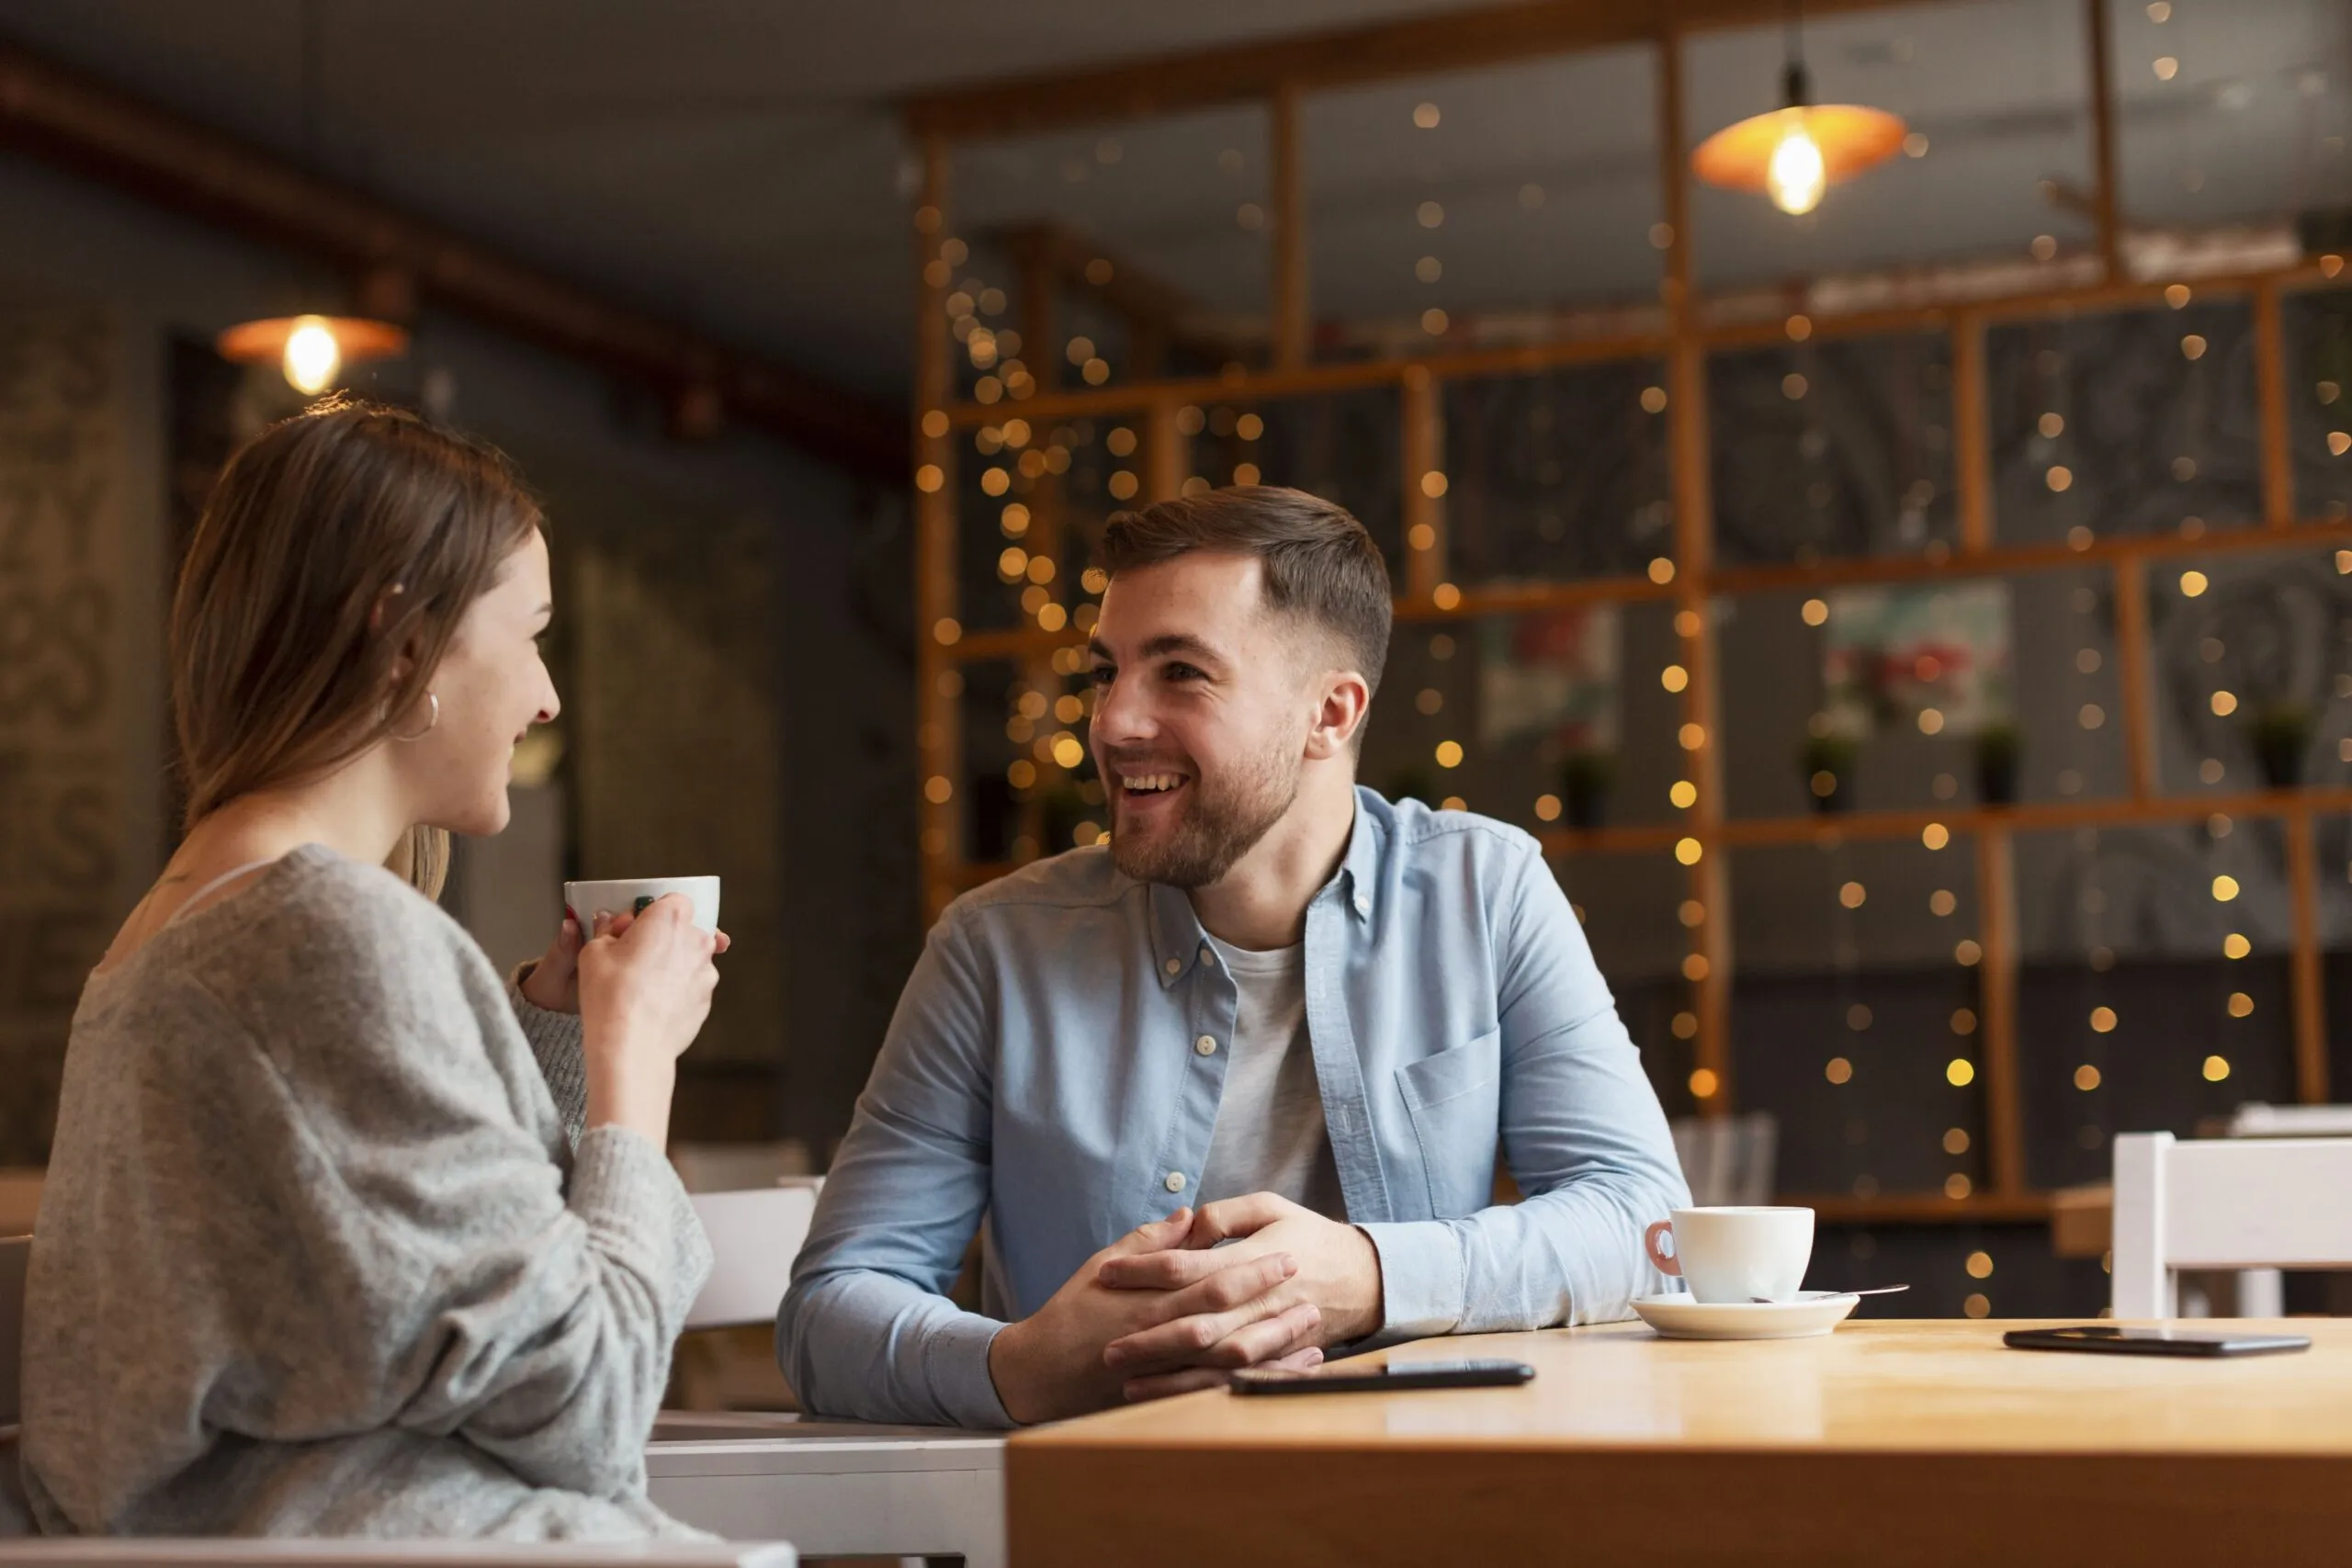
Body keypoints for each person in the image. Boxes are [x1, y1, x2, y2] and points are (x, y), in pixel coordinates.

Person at [779, 484, 1689, 1427]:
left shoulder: (1485, 893)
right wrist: (1016, 1367)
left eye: (1180, 672)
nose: (1113, 721)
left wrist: (1369, 1274)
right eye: (1106, 673)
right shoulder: (994, 949)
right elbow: (830, 1309)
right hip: (1102, 1515)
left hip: (1420, 1502)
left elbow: (1645, 1226)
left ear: (1329, 714)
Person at [21, 399, 727, 1539]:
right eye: (533, 632)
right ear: (405, 637)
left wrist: (549, 1035)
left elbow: (389, 1288)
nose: (548, 695)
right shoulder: (324, 934)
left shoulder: (178, 930)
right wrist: (631, 1064)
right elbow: (589, 1405)